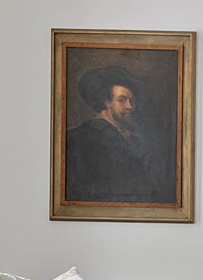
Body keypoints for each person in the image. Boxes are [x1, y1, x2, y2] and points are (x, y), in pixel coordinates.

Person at [63, 65, 166, 202]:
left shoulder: (132, 137)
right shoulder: (82, 137)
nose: (130, 106)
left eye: (131, 101)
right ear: (107, 103)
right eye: (121, 100)